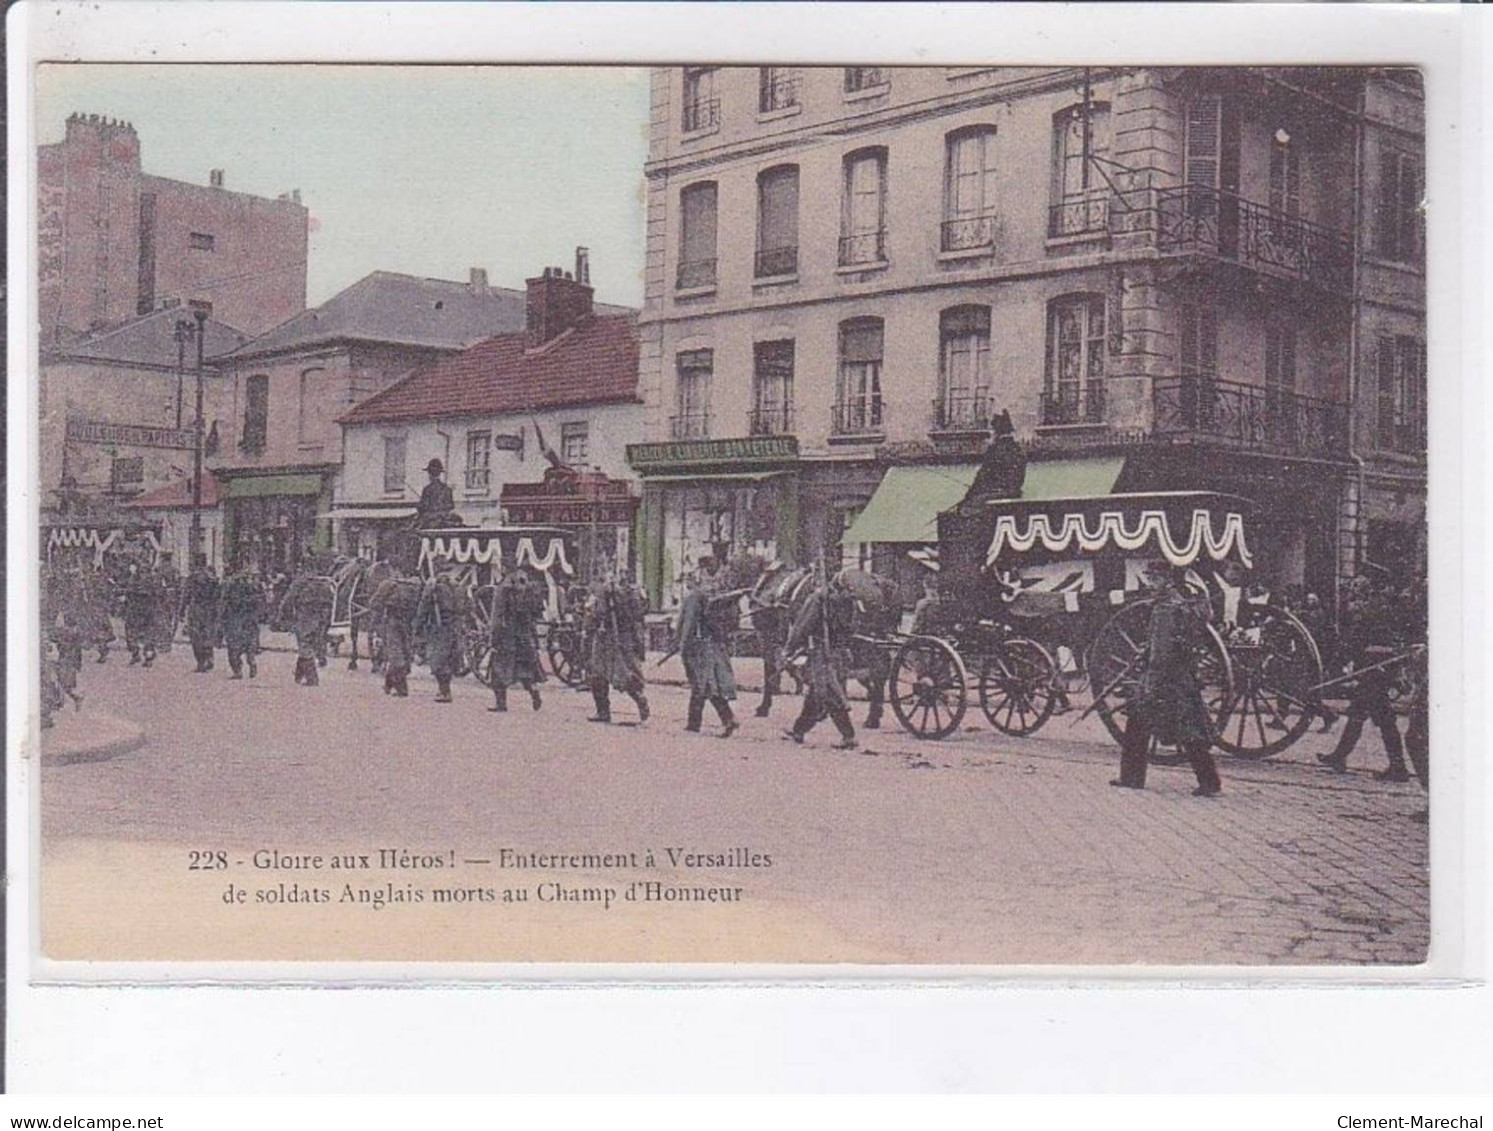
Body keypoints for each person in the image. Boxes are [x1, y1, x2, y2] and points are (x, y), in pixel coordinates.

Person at [1111, 561, 1222, 797]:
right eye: (1150, 579)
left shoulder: (1165, 609)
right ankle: (1210, 781)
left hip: (1163, 678)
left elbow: (1161, 654)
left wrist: (1151, 681)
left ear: (1167, 581)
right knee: (1189, 730)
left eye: (1155, 580)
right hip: (1182, 677)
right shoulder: (1181, 604)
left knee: (1139, 724)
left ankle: (1132, 778)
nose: (1151, 584)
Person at [1317, 576, 1412, 782]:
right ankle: (1340, 757)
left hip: (1375, 673)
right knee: (1359, 715)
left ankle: (1398, 768)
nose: (1354, 592)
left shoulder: (1372, 611)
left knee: (1383, 720)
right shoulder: (1382, 609)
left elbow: (1358, 642)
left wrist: (1340, 663)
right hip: (1375, 672)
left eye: (1357, 588)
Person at [782, 570, 859, 750]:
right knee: (816, 694)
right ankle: (799, 729)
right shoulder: (851, 602)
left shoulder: (820, 599)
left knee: (830, 694)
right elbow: (854, 627)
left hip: (823, 653)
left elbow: (803, 625)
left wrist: (789, 649)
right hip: (841, 653)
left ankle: (848, 735)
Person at [676, 558, 740, 738]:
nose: (687, 583)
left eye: (688, 579)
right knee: (707, 685)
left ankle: (721, 720)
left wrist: (682, 647)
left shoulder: (694, 597)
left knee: (701, 685)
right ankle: (701, 722)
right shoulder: (715, 594)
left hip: (698, 647)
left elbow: (688, 625)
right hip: (714, 645)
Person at [586, 575, 650, 724]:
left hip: (605, 638)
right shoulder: (627, 593)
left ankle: (603, 712)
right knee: (624, 672)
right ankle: (638, 696)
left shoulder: (601, 591)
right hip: (624, 637)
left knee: (597, 674)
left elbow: (597, 614)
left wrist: (590, 622)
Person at [488, 570, 545, 712]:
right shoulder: (526, 586)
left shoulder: (503, 588)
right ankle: (533, 691)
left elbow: (498, 615)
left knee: (498, 669)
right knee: (524, 669)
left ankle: (501, 703)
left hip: (506, 634)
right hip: (524, 634)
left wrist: (494, 637)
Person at [416, 570, 467, 703]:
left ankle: (444, 691)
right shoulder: (458, 587)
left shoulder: (433, 586)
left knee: (437, 659)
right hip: (455, 626)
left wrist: (418, 626)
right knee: (450, 658)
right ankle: (445, 690)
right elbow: (468, 607)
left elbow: (423, 607)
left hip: (439, 627)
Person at [278, 566, 334, 687]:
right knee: (310, 644)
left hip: (305, 617)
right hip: (322, 619)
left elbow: (287, 600)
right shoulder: (324, 584)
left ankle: (312, 678)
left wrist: (281, 617)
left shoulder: (300, 583)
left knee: (304, 644)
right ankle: (299, 674)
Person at [372, 574, 421, 697]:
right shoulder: (415, 587)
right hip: (408, 623)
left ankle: (400, 688)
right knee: (404, 654)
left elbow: (374, 603)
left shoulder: (389, 584)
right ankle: (390, 685)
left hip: (392, 622)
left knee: (396, 656)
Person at [218, 561, 264, 679]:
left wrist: (220, 617)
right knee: (249, 642)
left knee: (233, 646)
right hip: (250, 617)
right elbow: (261, 599)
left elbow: (223, 601)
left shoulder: (229, 583)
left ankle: (237, 671)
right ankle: (251, 661)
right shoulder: (252, 582)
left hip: (234, 618)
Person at [178, 557, 221, 673]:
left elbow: (185, 595)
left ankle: (201, 662)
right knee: (207, 634)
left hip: (196, 609)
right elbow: (218, 596)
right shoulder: (213, 579)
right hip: (209, 609)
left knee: (196, 636)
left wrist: (181, 611)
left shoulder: (192, 578)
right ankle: (209, 658)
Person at [118, 561, 158, 668]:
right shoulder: (152, 580)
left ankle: (136, 653)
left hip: (135, 609)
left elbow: (128, 594)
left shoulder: (133, 580)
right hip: (147, 610)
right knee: (148, 633)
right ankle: (148, 656)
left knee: (131, 631)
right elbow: (157, 596)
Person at [416, 458, 460, 528]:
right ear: (439, 474)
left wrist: (419, 506)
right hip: (445, 519)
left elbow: (422, 507)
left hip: (431, 520)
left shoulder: (427, 490)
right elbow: (450, 506)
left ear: (430, 474)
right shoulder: (447, 489)